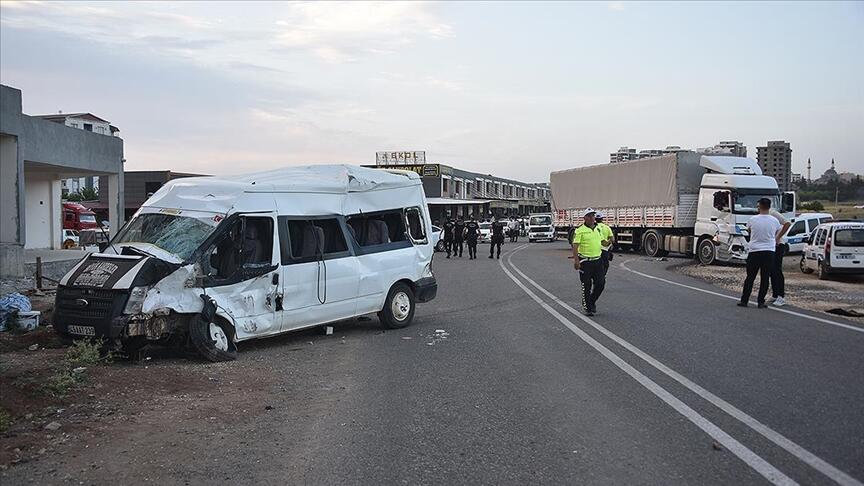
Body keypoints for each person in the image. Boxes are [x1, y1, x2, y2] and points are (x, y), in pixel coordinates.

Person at [738, 198, 783, 309]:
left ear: (759, 206)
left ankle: (744, 300)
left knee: (750, 277)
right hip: (769, 251)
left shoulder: (752, 219)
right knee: (765, 277)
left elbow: (749, 230)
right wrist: (775, 238)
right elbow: (777, 231)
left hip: (755, 250)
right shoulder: (774, 220)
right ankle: (760, 302)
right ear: (769, 207)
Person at [571, 208, 605, 316]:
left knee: (601, 284)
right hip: (585, 262)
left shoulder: (598, 229)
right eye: (589, 216)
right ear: (584, 218)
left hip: (597, 260)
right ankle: (588, 308)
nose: (591, 218)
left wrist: (609, 242)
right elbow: (575, 246)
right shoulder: (579, 230)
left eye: (593, 216)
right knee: (586, 285)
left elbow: (602, 241)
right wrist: (576, 261)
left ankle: (592, 301)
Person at [768, 207, 791, 306]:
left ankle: (781, 296)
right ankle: (775, 294)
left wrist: (778, 237)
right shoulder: (761, 216)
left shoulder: (773, 213)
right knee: (771, 270)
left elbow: (787, 223)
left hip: (778, 245)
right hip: (769, 246)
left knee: (777, 270)